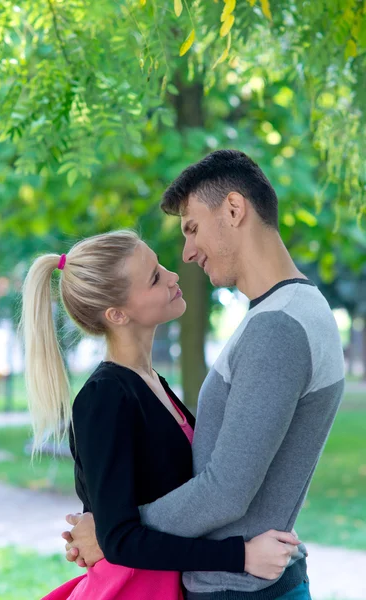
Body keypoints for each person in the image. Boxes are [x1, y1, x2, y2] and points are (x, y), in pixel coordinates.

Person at [63, 150, 345, 600]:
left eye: (191, 228)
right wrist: (118, 529)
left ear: (234, 210)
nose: (187, 254)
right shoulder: (284, 313)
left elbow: (224, 491)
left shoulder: (277, 326)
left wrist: (113, 532)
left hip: (243, 590)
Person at [21, 229, 299, 600]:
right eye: (154, 277)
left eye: (161, 266)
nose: (173, 276)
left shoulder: (152, 383)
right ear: (117, 314)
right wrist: (241, 556)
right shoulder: (104, 397)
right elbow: (120, 539)